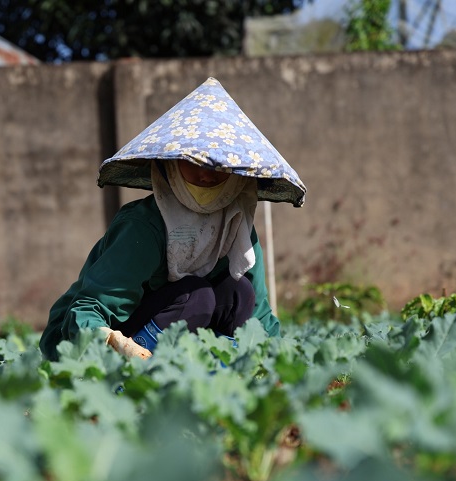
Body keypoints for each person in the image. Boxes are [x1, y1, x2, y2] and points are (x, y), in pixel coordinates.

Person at [39, 77, 306, 361]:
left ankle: (225, 372)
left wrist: (284, 362)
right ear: (169, 165)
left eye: (220, 165)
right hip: (91, 346)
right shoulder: (143, 226)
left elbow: (260, 315)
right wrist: (114, 345)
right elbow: (89, 309)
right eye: (193, 161)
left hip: (177, 333)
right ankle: (134, 378)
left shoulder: (237, 225)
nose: (206, 174)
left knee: (239, 292)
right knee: (197, 296)